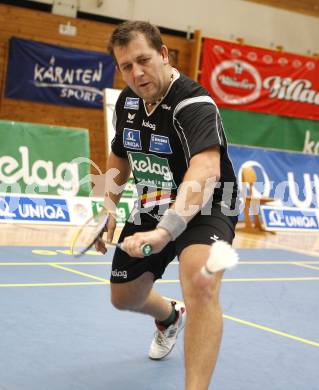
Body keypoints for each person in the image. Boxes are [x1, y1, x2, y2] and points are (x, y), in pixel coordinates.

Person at [97, 20, 238, 390]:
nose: (137, 72)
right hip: (153, 201)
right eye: (126, 66)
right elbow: (119, 157)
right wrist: (107, 208)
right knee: (124, 296)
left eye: (143, 60)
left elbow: (205, 170)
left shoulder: (192, 102)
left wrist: (166, 231)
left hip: (208, 203)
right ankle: (170, 316)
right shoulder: (128, 101)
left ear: (163, 54)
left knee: (201, 279)